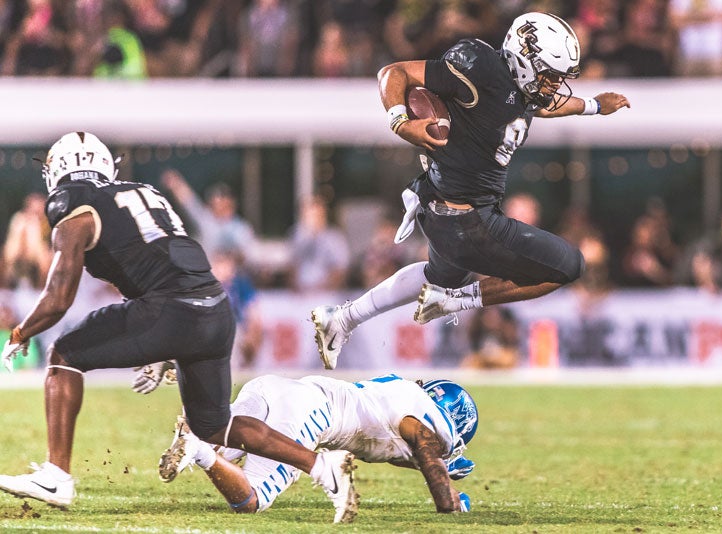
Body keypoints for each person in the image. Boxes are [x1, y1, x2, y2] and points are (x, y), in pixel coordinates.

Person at [0, 132, 354, 518]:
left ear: (59, 171)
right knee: (215, 426)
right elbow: (158, 266)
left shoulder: (76, 207)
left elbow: (58, 298)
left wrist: (21, 333)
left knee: (62, 355)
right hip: (214, 311)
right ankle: (322, 467)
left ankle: (56, 475)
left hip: (171, 311)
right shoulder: (142, 193)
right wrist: (161, 345)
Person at [311, 12, 630, 369]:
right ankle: (455, 301)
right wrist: (400, 121)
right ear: (524, 59)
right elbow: (393, 73)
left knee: (437, 276)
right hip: (468, 222)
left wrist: (596, 106)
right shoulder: (482, 68)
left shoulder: (522, 89)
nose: (554, 85)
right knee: (568, 266)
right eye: (550, 75)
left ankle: (342, 318)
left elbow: (547, 106)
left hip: (445, 213)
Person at [152, 373, 475, 518]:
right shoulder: (428, 426)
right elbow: (419, 438)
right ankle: (197, 449)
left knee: (220, 445)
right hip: (308, 414)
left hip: (278, 387)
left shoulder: (403, 391)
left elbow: (389, 443)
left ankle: (191, 415)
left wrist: (440, 468)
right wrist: (451, 501)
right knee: (252, 499)